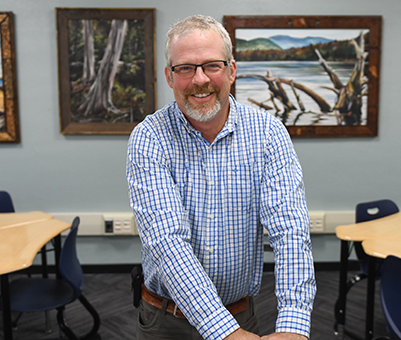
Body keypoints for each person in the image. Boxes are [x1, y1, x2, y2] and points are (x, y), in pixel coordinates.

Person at [126, 14, 316, 340]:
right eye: (185, 68)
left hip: (242, 314)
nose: (199, 79)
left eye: (212, 65)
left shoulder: (268, 133)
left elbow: (291, 233)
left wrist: (293, 325)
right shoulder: (149, 137)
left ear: (232, 70)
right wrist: (222, 330)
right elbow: (167, 243)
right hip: (167, 321)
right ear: (170, 77)